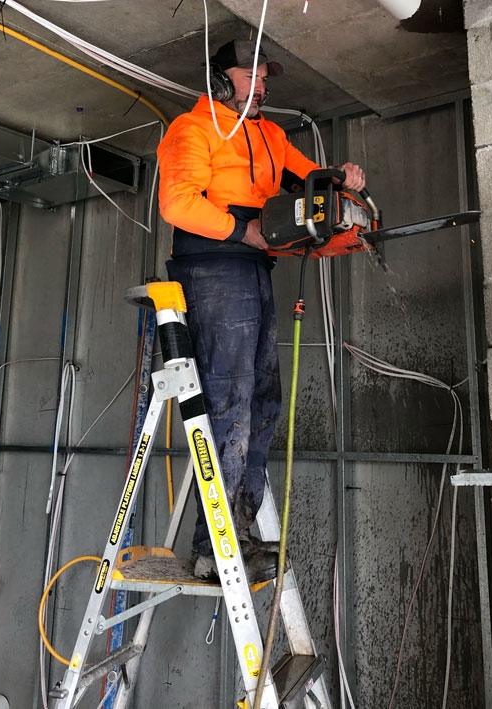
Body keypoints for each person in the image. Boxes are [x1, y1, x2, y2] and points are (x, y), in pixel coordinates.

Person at [157, 39, 365, 582]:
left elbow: (312, 178)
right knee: (230, 401)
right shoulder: (191, 129)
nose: (262, 86)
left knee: (263, 402)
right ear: (220, 81)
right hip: (212, 267)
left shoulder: (271, 135)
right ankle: (214, 549)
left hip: (254, 265)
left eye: (265, 77)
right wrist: (239, 230)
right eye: (251, 75)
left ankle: (240, 533)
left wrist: (342, 179)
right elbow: (178, 203)